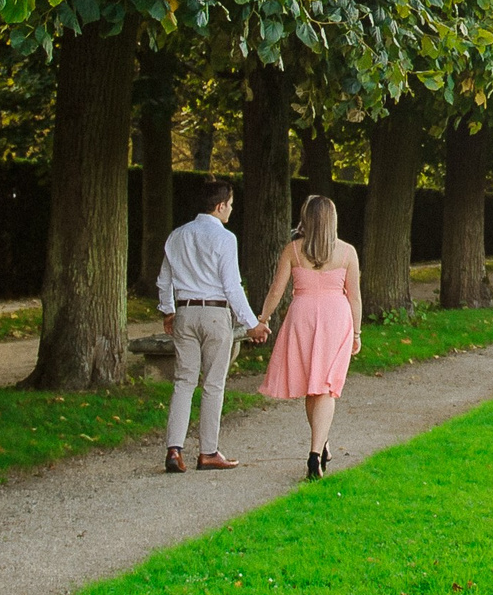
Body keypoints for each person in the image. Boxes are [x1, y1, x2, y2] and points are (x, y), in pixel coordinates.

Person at [156, 182, 267, 475]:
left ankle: (174, 449)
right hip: (215, 313)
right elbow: (231, 285)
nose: (231, 209)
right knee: (213, 384)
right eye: (230, 204)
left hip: (185, 312)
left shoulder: (177, 236)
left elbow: (164, 280)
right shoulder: (225, 238)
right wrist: (251, 324)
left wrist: (168, 310)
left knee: (184, 381)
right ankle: (208, 451)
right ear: (220, 206)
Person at [259, 195, 363, 482]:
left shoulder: (293, 250)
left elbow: (276, 292)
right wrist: (356, 331)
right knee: (326, 387)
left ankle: (320, 446)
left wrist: (263, 319)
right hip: (335, 319)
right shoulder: (347, 253)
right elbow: (354, 298)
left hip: (302, 317)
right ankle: (316, 452)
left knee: (312, 386)